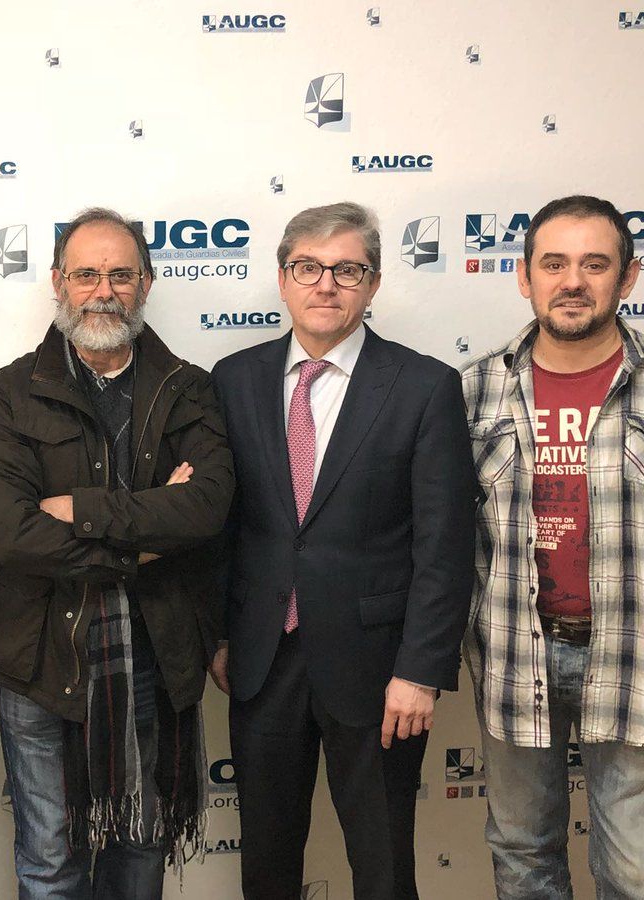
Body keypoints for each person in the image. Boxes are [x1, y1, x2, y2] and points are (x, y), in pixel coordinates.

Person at [0, 207, 235, 899]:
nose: (103, 291)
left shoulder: (188, 388)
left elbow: (204, 509)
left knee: (139, 849)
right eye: (86, 274)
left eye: (121, 274)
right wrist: (142, 547)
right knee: (50, 864)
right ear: (58, 283)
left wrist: (83, 511)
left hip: (153, 652)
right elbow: (8, 533)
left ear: (146, 283)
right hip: (40, 658)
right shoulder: (9, 393)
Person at [211, 201, 476, 899]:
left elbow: (444, 546)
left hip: (379, 669)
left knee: (382, 866)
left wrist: (420, 670)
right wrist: (218, 634)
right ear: (283, 278)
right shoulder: (232, 380)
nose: (326, 284)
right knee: (266, 863)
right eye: (309, 268)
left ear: (374, 284)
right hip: (262, 659)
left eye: (348, 269)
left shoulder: (424, 387)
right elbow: (223, 527)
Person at [462, 195, 644, 899]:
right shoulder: (475, 390)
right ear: (524, 277)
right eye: (555, 263)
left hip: (631, 656)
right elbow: (449, 534)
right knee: (523, 854)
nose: (574, 281)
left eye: (595, 264)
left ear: (626, 279)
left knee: (631, 868)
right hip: (514, 653)